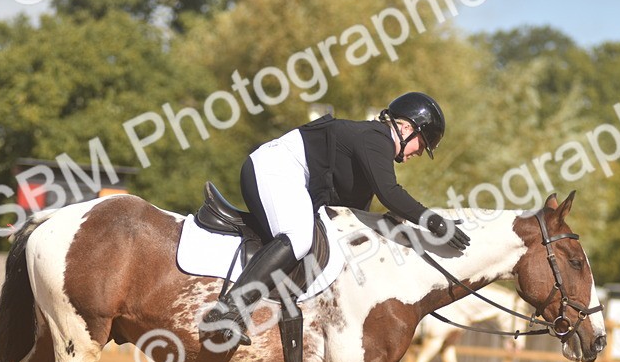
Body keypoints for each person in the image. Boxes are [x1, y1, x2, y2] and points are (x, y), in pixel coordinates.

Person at [199, 92, 470, 348]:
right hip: (273, 169)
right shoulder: (376, 138)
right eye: (422, 144)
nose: (419, 153)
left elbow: (355, 216)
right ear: (407, 128)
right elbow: (390, 193)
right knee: (298, 238)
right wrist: (434, 221)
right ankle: (227, 311)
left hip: (289, 177)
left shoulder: (373, 146)